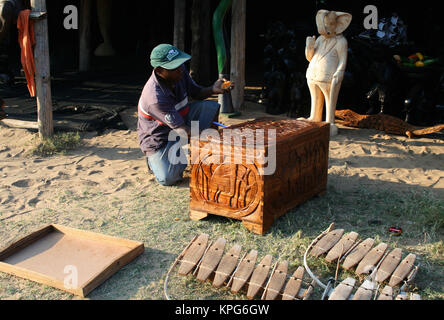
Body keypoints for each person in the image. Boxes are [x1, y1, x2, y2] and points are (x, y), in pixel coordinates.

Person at [137, 44, 233, 186]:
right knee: (169, 178)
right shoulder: (155, 98)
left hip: (179, 120)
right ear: (159, 70)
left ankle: (204, 154)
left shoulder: (179, 75)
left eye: (181, 64)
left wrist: (213, 89)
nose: (181, 69)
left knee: (209, 107)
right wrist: (211, 138)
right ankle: (154, 161)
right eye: (174, 67)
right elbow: (183, 131)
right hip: (160, 138)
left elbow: (197, 93)